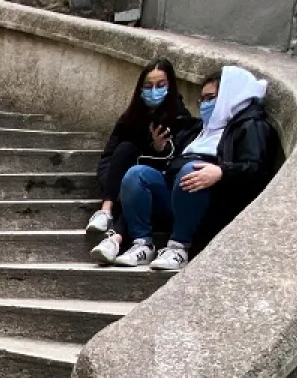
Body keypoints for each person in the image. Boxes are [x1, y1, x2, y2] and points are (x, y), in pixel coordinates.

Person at [98, 65, 280, 271]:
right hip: (175, 192)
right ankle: (141, 244)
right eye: (202, 99)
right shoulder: (199, 129)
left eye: (211, 98)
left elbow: (256, 168)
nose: (205, 104)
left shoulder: (250, 125)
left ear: (230, 95)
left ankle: (178, 247)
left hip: (211, 200)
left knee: (191, 170)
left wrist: (221, 172)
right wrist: (160, 150)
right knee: (137, 174)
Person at [85, 58, 198, 256]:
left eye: (161, 85)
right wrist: (115, 187)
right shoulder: (131, 117)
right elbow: (109, 157)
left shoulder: (180, 119)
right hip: (119, 182)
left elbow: (174, 163)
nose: (154, 91)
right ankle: (106, 211)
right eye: (148, 86)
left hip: (154, 186)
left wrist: (157, 148)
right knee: (126, 150)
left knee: (136, 183)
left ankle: (116, 239)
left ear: (170, 86)